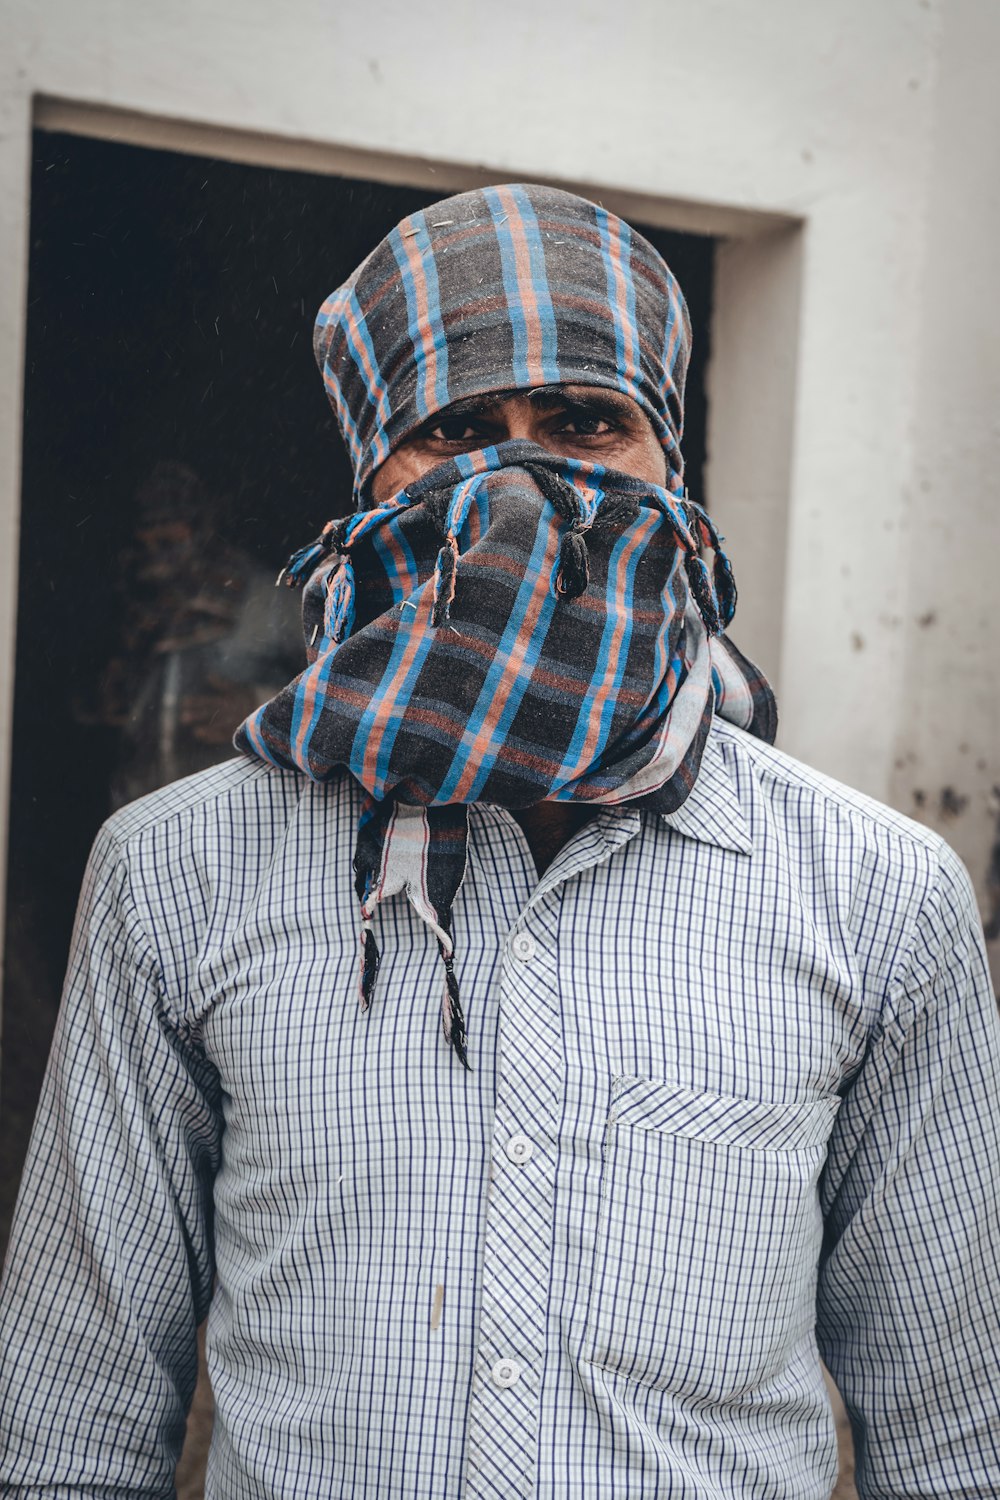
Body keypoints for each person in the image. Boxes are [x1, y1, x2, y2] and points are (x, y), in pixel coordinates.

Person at [1, 184, 998, 1499]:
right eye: (459, 428)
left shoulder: (880, 899)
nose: (527, 476)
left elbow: (955, 1430)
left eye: (586, 420)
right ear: (369, 480)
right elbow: (76, 1424)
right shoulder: (174, 874)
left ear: (671, 466)